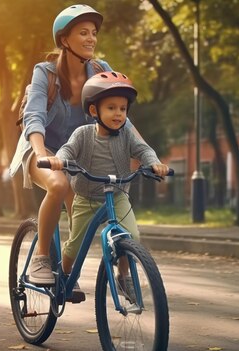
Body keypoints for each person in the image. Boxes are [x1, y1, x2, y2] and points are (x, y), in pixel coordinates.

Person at [8, 5, 140, 292]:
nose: (91, 38)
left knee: (81, 214)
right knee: (58, 185)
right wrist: (42, 153)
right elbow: (34, 116)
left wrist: (142, 152)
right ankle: (42, 259)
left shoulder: (101, 70)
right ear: (64, 40)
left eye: (93, 33)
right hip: (41, 147)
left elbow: (120, 118)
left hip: (80, 153)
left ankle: (67, 273)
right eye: (83, 33)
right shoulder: (45, 72)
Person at [42, 71, 169, 303]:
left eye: (122, 108)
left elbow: (143, 150)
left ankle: (123, 275)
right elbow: (67, 150)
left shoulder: (127, 136)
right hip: (87, 198)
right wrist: (58, 160)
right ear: (94, 111)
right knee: (75, 246)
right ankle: (65, 275)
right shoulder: (83, 134)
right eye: (111, 108)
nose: (118, 113)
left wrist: (155, 163)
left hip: (118, 196)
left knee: (131, 235)